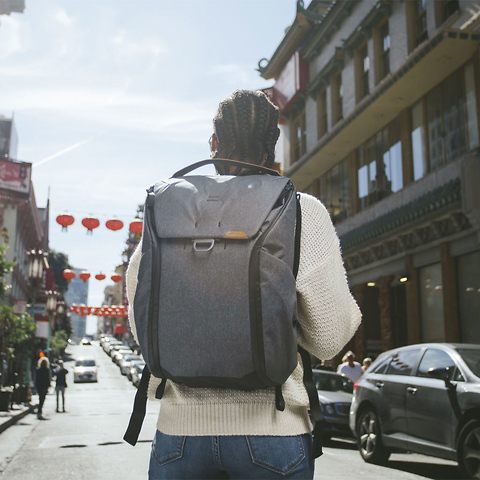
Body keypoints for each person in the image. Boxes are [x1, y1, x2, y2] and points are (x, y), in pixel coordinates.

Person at [126, 90, 362, 479]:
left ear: (214, 145)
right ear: (273, 145)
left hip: (178, 436)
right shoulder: (301, 209)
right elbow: (330, 337)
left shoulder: (169, 207)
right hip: (272, 431)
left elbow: (142, 316)